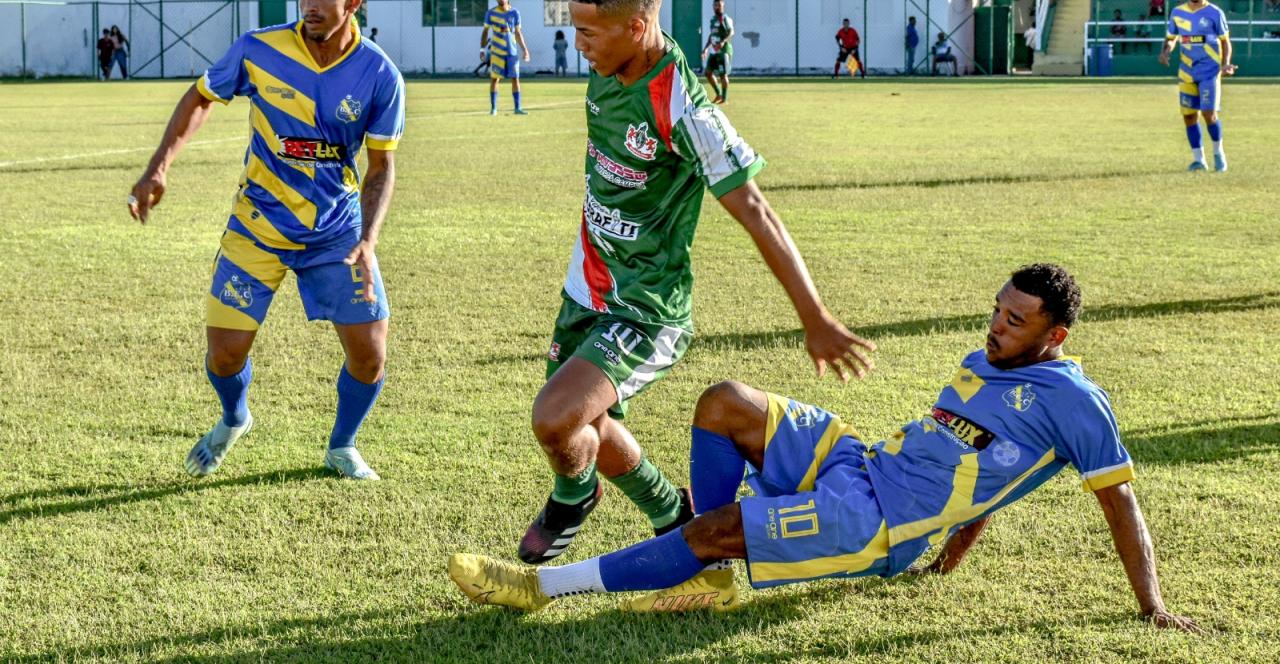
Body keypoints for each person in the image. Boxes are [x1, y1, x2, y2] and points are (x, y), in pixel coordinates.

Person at [450, 265, 1202, 634]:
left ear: (1055, 335)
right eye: (997, 310)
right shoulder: (986, 362)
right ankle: (710, 570)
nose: (995, 326)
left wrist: (1153, 606)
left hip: (874, 524)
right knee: (724, 402)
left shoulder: (1075, 404)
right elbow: (981, 468)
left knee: (716, 529)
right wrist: (951, 557)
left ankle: (542, 587)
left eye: (1015, 321)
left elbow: (1118, 502)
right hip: (862, 463)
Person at [514, 0, 874, 568]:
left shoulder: (686, 110)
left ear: (637, 27)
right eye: (576, 30)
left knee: (555, 418)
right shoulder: (608, 67)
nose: (579, 46)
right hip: (586, 285)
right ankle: (670, 513)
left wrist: (814, 317)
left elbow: (756, 210)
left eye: (589, 33)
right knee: (588, 423)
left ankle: (574, 497)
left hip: (645, 306)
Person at [126, 0, 406, 481]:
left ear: (353, 2)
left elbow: (380, 167)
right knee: (224, 356)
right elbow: (201, 97)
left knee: (370, 355)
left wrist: (367, 240)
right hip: (258, 226)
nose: (309, 3)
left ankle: (342, 446)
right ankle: (235, 418)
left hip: (337, 232)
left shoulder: (379, 74)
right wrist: (158, 167)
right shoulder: (259, 49)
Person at [1159, 0, 1233, 173]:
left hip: (1209, 71)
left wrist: (1226, 64)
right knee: (1189, 116)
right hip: (1186, 72)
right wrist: (1166, 51)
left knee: (1209, 114)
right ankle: (1199, 160)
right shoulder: (1177, 13)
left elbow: (1225, 42)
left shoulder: (1215, 13)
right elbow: (1171, 38)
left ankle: (1218, 154)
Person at [481, 0, 531, 115]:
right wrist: (482, 49)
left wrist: (525, 50)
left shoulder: (515, 13)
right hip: (497, 53)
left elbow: (518, 33)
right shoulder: (491, 13)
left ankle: (517, 108)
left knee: (515, 78)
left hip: (512, 53)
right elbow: (485, 31)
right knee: (495, 79)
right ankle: (493, 108)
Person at [701, 0, 734, 103]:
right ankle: (718, 94)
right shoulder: (712, 19)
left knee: (723, 75)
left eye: (719, 5)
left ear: (723, 6)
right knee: (708, 73)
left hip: (724, 51)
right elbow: (712, 35)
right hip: (714, 51)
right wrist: (706, 48)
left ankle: (724, 98)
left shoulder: (725, 18)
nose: (717, 7)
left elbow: (731, 32)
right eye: (715, 5)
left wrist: (723, 42)